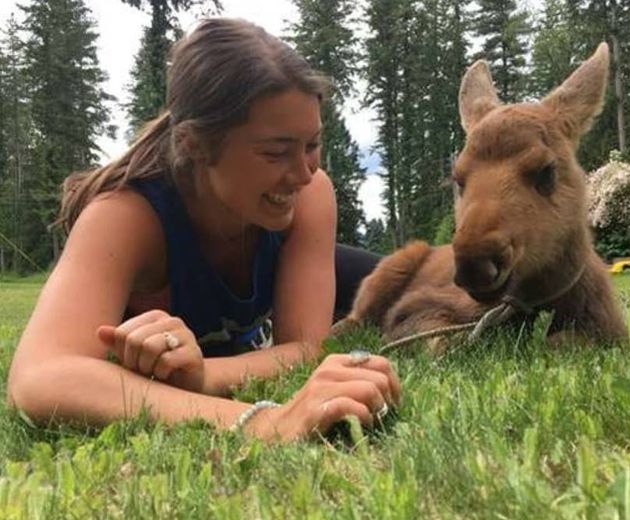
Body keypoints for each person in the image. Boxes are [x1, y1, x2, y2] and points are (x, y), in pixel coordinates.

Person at [5, 18, 400, 442]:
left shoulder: (310, 194)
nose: (303, 173)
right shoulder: (125, 215)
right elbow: (40, 377)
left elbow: (305, 348)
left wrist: (204, 376)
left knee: (409, 285)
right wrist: (266, 421)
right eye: (275, 153)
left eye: (312, 145)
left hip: (330, 268)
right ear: (194, 144)